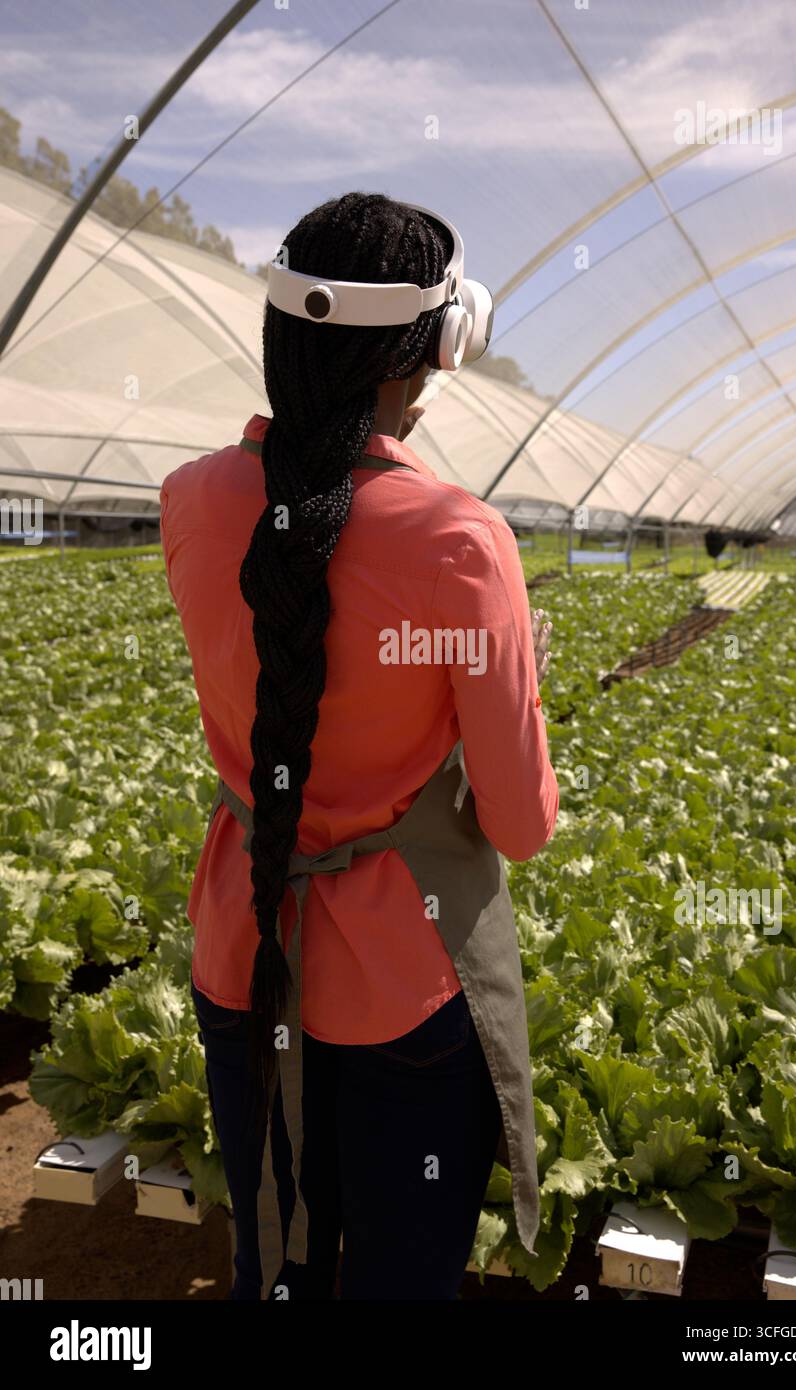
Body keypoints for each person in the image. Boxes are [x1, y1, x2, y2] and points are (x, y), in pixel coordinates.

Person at [159, 192, 558, 1301]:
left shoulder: (188, 499)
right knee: (399, 1277)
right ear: (431, 351)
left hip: (241, 951)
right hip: (402, 989)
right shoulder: (461, 540)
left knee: (269, 1253)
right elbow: (521, 824)